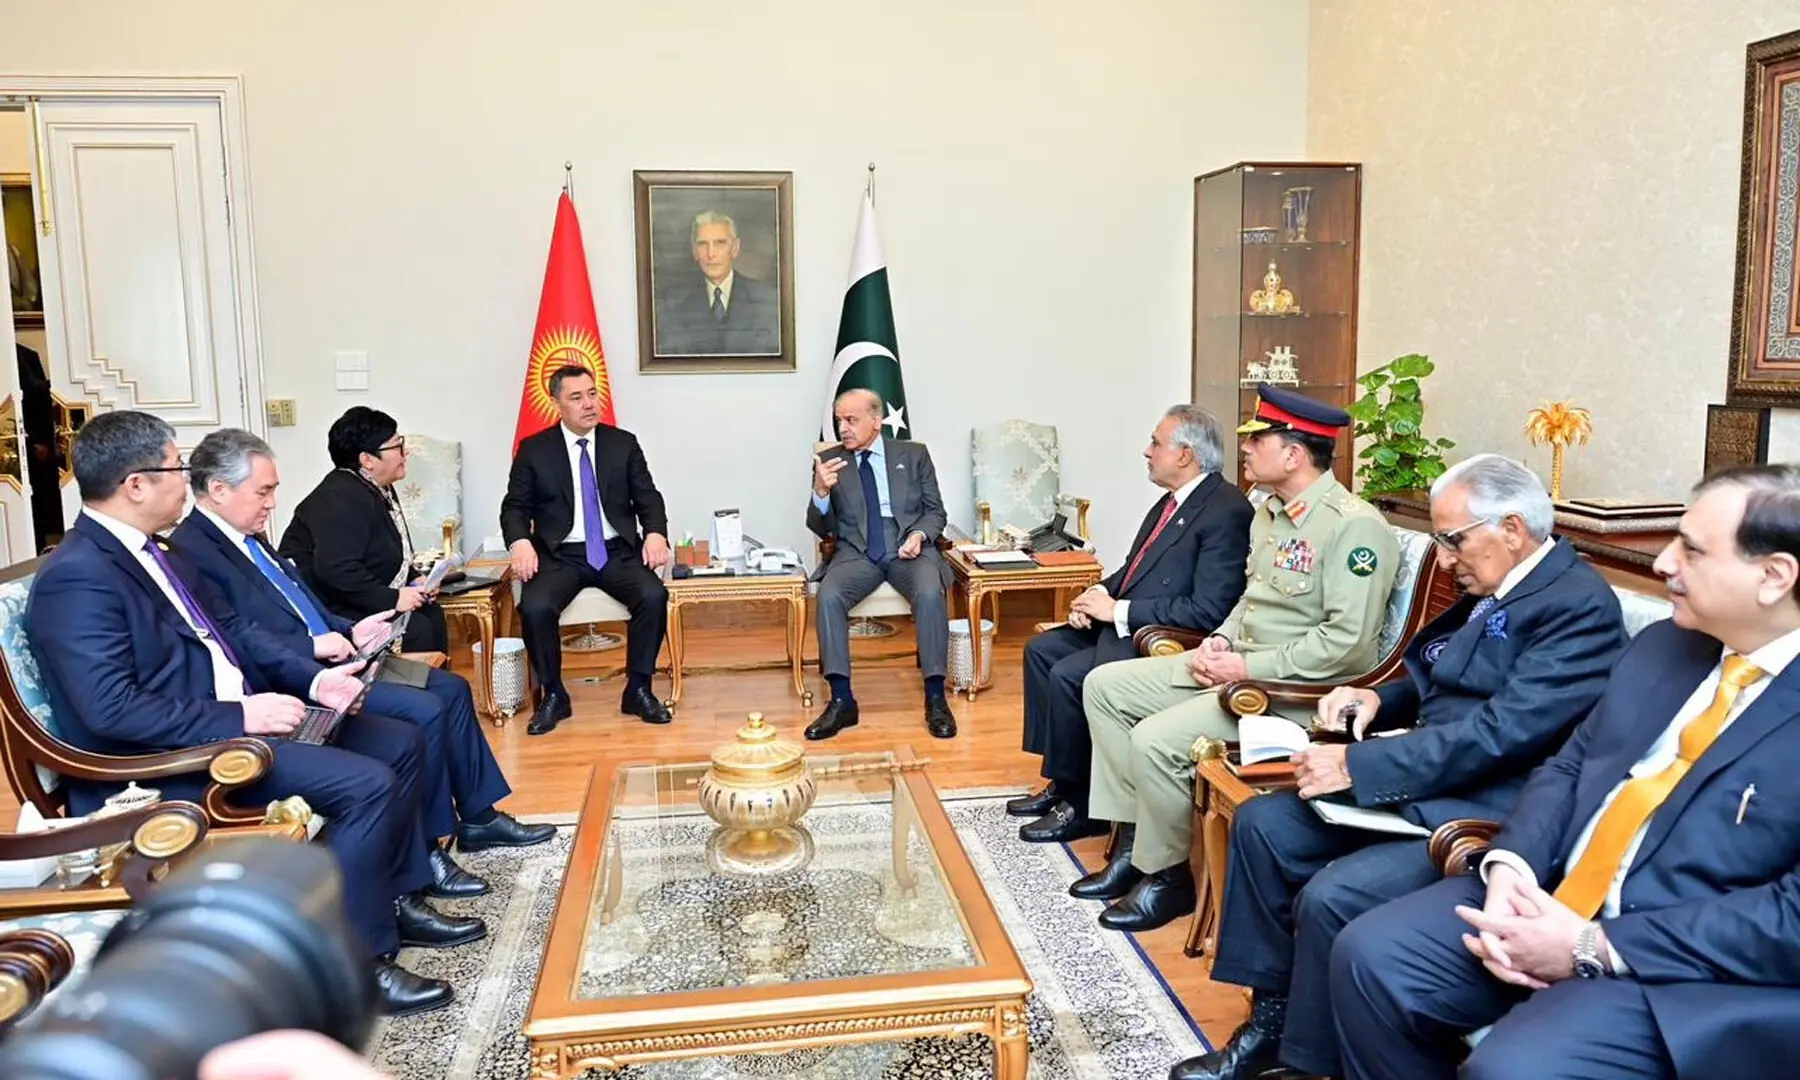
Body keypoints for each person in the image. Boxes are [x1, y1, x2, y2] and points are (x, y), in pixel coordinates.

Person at [1331, 463, 1800, 1080]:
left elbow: (1790, 917)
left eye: (1691, 550)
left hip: (1681, 964)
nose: (1664, 564)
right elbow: (1572, 765)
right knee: (1370, 956)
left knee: (1515, 1069)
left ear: (1774, 577)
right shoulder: (1666, 646)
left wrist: (1594, 946)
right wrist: (1511, 867)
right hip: (1550, 892)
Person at [1171, 454, 1627, 1080]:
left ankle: (1309, 1062)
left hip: (1482, 806)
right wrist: (1378, 700)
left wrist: (1358, 763)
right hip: (1425, 770)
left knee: (1332, 896)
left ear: (1512, 529)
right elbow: (1441, 670)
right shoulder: (1499, 583)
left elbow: (1500, 735)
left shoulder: (1578, 608)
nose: (1445, 558)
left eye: (1453, 540)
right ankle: (1269, 1026)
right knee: (1263, 826)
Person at [24, 410, 478, 1018]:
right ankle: (357, 965)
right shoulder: (78, 577)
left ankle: (395, 898)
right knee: (366, 783)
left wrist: (315, 678)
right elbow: (111, 710)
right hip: (166, 761)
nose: (186, 481)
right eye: (176, 468)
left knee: (397, 742)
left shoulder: (154, 551)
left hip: (223, 727)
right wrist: (240, 715)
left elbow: (233, 630)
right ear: (135, 485)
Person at [173, 429, 555, 898]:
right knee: (424, 711)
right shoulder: (194, 552)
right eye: (263, 492)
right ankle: (429, 849)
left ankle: (478, 818)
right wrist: (315, 648)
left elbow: (301, 602)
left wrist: (350, 630)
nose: (272, 503)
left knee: (452, 689)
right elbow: (238, 636)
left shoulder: (245, 536)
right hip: (304, 678)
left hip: (343, 653)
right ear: (218, 490)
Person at [1074, 385, 1398, 934]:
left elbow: (1346, 645)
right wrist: (1219, 642)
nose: (1243, 449)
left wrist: (1246, 668)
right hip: (1237, 664)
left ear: (1293, 454)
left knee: (1153, 739)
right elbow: (1252, 599)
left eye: (1257, 440)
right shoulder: (1269, 512)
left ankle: (1165, 877)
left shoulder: (1353, 526)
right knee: (1104, 686)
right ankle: (1133, 843)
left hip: (1292, 691)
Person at [1010, 405, 1253, 843]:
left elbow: (1208, 609)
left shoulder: (1226, 509)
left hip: (1166, 636)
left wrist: (1118, 612)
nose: (1146, 451)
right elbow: (1134, 571)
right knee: (1042, 651)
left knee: (1069, 675)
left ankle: (1084, 806)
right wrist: (1095, 596)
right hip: (1131, 622)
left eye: (1156, 443)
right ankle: (1064, 782)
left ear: (1185, 454)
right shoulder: (1172, 501)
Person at [502, 364, 672, 734]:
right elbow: (514, 508)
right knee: (535, 607)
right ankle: (554, 695)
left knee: (653, 595)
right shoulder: (534, 450)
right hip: (560, 555)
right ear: (556, 403)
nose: (589, 404)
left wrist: (656, 533)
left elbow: (648, 496)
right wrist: (520, 542)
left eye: (592, 394)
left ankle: (638, 689)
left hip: (615, 551)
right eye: (577, 397)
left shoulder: (622, 444)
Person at [806, 388, 955, 741]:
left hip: (908, 546)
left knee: (930, 593)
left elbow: (936, 512)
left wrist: (918, 534)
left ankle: (936, 697)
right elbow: (820, 527)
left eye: (851, 420)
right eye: (839, 421)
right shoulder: (829, 461)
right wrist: (820, 493)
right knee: (829, 596)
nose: (843, 428)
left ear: (876, 421)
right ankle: (842, 700)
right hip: (856, 550)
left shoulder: (914, 455)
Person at [278, 407, 447, 653]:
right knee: (417, 628)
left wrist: (414, 578)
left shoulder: (375, 485)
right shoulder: (341, 496)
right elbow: (336, 569)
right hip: (330, 606)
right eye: (398, 446)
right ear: (367, 460)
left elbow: (381, 549)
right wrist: (394, 599)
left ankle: (436, 678)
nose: (405, 452)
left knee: (432, 614)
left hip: (357, 594)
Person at [653, 210, 779, 356]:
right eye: (702, 244)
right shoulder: (671, 303)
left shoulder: (767, 299)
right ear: (694, 251)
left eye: (720, 243)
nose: (711, 254)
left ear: (735, 248)